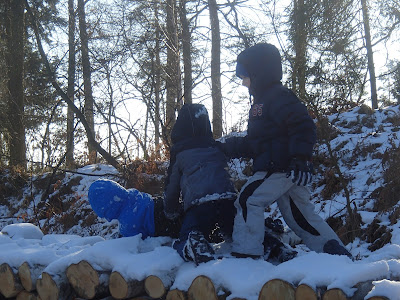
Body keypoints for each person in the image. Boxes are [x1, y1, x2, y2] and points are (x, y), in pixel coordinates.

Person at [219, 43, 352, 259]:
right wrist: (225, 148)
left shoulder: (278, 97)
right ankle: (336, 254)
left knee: (248, 199)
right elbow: (256, 143)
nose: (243, 82)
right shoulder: (261, 103)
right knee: (299, 215)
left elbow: (303, 125)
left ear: (258, 72)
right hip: (284, 169)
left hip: (279, 166)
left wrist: (301, 158)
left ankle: (246, 255)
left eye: (245, 76)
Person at [163, 103, 237, 265]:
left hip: (199, 203)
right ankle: (272, 245)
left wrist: (171, 211)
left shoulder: (180, 152)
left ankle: (193, 242)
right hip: (228, 198)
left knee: (189, 232)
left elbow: (172, 187)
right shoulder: (215, 146)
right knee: (238, 231)